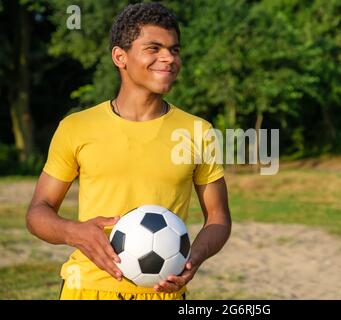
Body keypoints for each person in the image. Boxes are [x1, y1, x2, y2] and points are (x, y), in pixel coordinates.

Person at [26, 2, 231, 300]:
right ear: (120, 56)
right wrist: (73, 232)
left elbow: (218, 217)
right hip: (87, 289)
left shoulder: (198, 132)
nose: (168, 58)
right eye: (154, 48)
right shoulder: (77, 127)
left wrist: (193, 257)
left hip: (164, 292)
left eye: (174, 50)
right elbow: (37, 212)